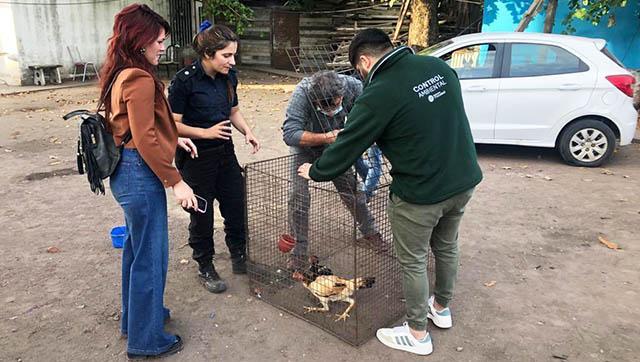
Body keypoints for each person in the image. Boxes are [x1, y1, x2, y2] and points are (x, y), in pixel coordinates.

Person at [297, 28, 483, 356]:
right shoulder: (438, 68)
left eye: (359, 69)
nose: (361, 75)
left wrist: (315, 170)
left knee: (412, 261)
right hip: (463, 179)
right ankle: (440, 308)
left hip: (421, 192)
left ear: (365, 60)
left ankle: (416, 333)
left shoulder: (381, 90)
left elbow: (349, 142)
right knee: (447, 246)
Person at [102, 3, 198, 358]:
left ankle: (137, 319)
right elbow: (143, 137)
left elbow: (139, 127)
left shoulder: (122, 73)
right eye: (158, 41)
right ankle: (146, 342)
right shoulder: (140, 78)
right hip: (139, 175)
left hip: (126, 174)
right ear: (139, 41)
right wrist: (176, 181)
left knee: (135, 251)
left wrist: (176, 137)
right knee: (150, 258)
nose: (163, 47)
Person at [168, 22, 260, 294]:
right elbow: (172, 125)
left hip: (225, 152)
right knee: (202, 213)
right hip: (195, 157)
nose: (232, 61)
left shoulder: (229, 77)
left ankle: (239, 256)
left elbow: (233, 111)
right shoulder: (184, 81)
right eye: (226, 56)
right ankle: (205, 264)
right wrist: (204, 133)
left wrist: (248, 131)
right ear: (208, 53)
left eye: (233, 55)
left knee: (235, 204)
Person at [282, 70, 385, 271]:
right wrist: (328, 136)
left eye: (335, 105)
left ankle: (371, 232)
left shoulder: (353, 87)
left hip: (335, 147)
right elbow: (290, 133)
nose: (331, 110)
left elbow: (371, 114)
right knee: (297, 195)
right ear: (316, 100)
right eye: (324, 107)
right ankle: (299, 251)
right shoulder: (303, 92)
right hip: (305, 146)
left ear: (341, 96)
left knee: (352, 190)